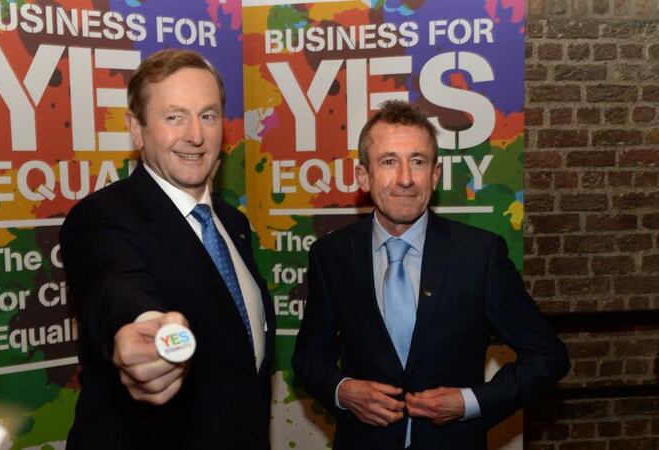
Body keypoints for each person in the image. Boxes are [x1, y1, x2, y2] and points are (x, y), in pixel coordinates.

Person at [292, 100, 569, 449]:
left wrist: (469, 403)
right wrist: (343, 391)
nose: (405, 179)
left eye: (418, 162)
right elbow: (308, 358)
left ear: (435, 175)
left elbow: (548, 357)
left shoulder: (479, 255)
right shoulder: (330, 256)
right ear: (364, 175)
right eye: (389, 161)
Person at [60, 49, 275, 450]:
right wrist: (144, 331)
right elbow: (116, 285)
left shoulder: (233, 224)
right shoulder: (101, 217)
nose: (195, 135)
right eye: (174, 116)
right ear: (137, 129)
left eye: (208, 116)